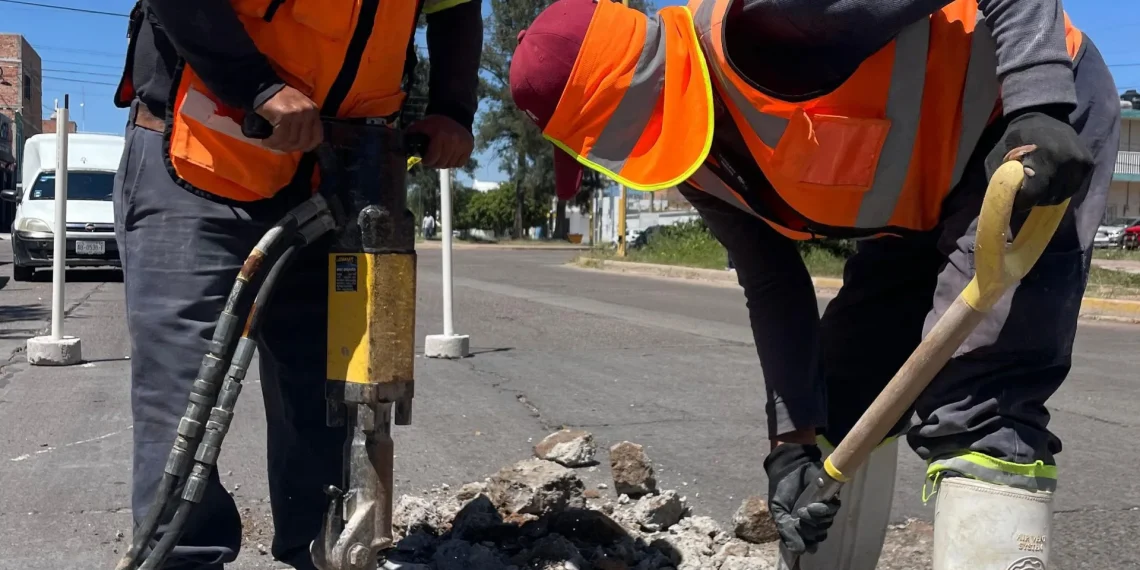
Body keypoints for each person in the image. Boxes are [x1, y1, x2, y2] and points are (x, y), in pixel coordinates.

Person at [509, 0, 1119, 568]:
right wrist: (791, 443)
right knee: (839, 396)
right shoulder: (703, 168)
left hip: (1021, 135)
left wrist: (1038, 100)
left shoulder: (774, 21)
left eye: (622, 130)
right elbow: (772, 285)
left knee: (979, 394)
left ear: (647, 84)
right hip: (915, 210)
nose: (631, 154)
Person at [111, 0, 481, 568]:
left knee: (325, 392)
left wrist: (453, 107)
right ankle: (180, 556)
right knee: (186, 390)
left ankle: (325, 552)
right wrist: (253, 86)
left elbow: (456, 6)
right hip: (205, 156)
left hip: (339, 170)